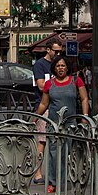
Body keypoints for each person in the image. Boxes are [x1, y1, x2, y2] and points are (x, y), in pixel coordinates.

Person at [36, 54, 89, 192]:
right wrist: (34, 118)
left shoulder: (76, 81)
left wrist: (85, 117)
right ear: (54, 68)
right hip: (54, 124)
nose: (60, 68)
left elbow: (84, 98)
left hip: (70, 124)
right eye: (58, 66)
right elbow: (44, 104)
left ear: (67, 68)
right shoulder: (49, 84)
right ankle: (53, 182)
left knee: (66, 153)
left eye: (63, 66)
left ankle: (64, 180)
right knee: (53, 154)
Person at [32, 39, 63, 183]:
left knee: (57, 141)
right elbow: (40, 85)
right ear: (48, 50)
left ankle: (56, 174)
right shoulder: (40, 65)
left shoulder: (60, 64)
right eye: (56, 51)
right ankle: (38, 173)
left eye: (60, 51)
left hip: (59, 106)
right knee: (42, 140)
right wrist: (58, 83)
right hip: (44, 106)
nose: (58, 54)